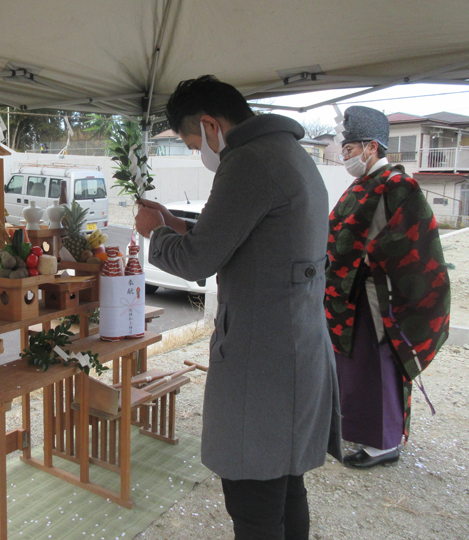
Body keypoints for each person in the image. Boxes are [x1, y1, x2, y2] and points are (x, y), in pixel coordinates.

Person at [135, 75, 342, 540]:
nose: (198, 153)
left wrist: (154, 231)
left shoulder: (248, 161)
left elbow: (197, 261)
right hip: (297, 345)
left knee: (253, 501)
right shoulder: (288, 153)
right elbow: (235, 240)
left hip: (262, 359)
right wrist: (173, 222)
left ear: (210, 124)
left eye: (193, 143)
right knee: (287, 489)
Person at [326, 106, 451, 468]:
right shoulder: (363, 183)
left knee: (376, 366)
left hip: (374, 295)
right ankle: (361, 429)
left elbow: (414, 239)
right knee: (354, 368)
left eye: (350, 149)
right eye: (345, 149)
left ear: (371, 147)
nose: (346, 156)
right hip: (345, 295)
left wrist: (367, 257)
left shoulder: (397, 185)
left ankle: (384, 445)